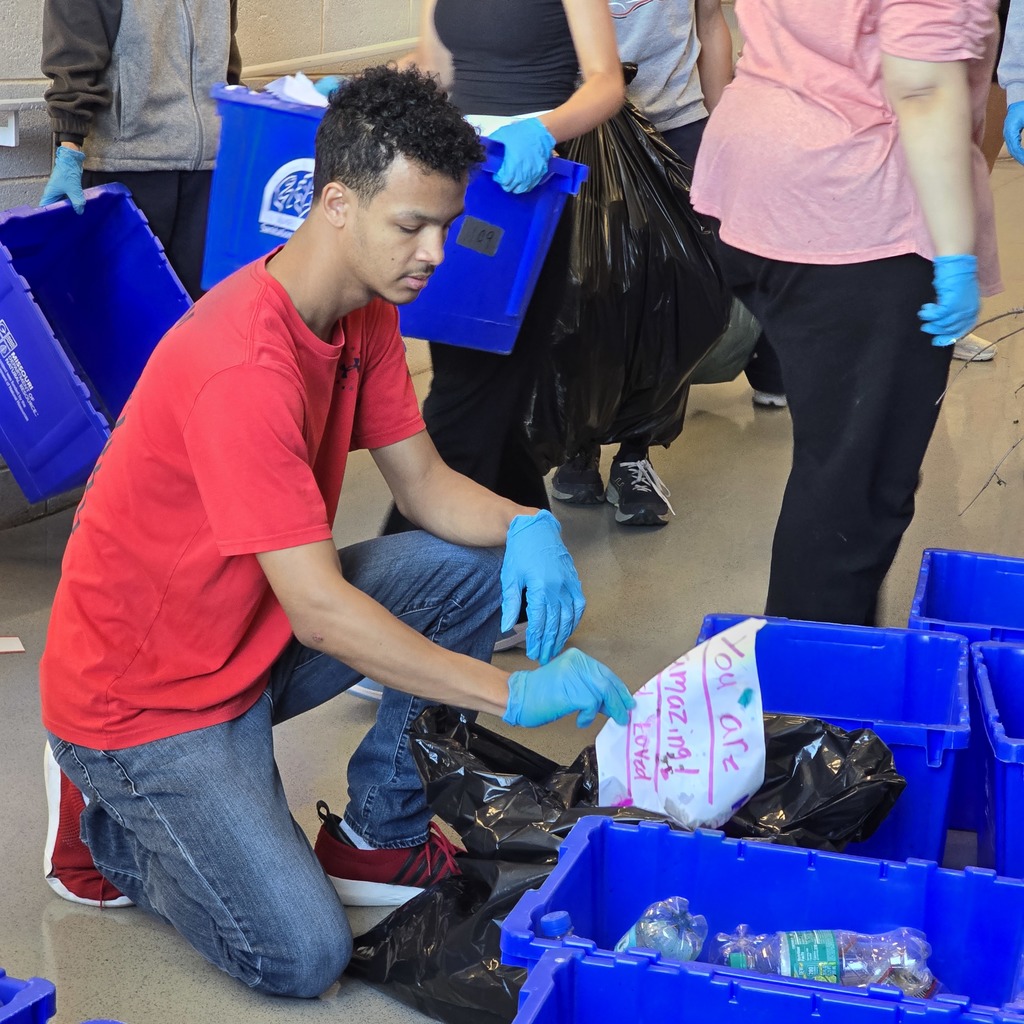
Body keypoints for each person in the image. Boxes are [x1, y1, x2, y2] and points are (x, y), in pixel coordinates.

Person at [39, 66, 634, 997]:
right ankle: (106, 826)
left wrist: (529, 526)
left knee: (469, 570)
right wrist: (505, 693)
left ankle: (377, 837)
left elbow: (428, 486)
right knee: (300, 955)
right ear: (335, 204)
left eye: (445, 223)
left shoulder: (363, 313)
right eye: (411, 226)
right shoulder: (245, 367)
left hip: (244, 634)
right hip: (145, 704)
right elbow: (319, 612)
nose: (435, 252)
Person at [691, 0, 1001, 627]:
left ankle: (817, 679)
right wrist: (953, 256)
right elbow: (921, 85)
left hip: (759, 179)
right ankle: (811, 709)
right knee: (852, 492)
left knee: (835, 462)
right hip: (858, 212)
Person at [383, 0, 624, 553]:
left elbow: (606, 82)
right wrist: (358, 91)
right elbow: (434, 67)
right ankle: (528, 579)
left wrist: (540, 129)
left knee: (461, 407)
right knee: (489, 401)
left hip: (524, 199)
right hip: (462, 189)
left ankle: (391, 593)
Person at [550, 0, 736, 526]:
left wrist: (723, 130)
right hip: (578, 125)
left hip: (675, 122)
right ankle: (576, 442)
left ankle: (636, 453)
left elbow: (710, 21)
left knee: (673, 298)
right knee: (580, 295)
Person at [38, 0, 241, 300]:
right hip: (127, 166)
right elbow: (73, 44)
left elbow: (227, 52)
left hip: (209, 170)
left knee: (201, 321)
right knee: (126, 320)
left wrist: (236, 124)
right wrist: (69, 146)